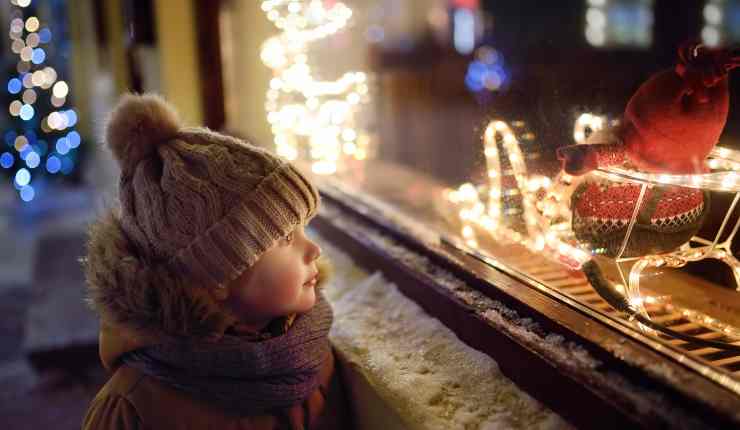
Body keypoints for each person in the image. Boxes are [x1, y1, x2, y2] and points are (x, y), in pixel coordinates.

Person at [82, 93, 352, 429]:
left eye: (303, 229)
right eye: (285, 238)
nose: (314, 250)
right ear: (218, 278)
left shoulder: (309, 355)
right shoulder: (133, 409)